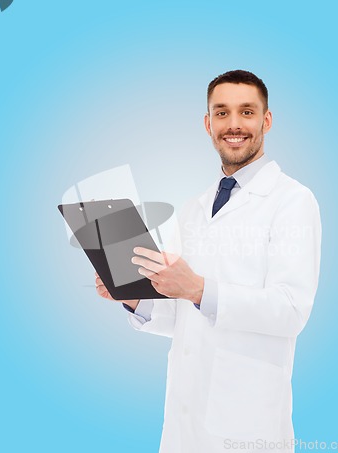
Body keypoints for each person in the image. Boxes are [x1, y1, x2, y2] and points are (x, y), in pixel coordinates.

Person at [95, 70, 322, 453]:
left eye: (247, 112)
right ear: (208, 123)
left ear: (267, 120)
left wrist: (198, 288)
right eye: (221, 113)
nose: (234, 125)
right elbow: (190, 315)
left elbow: (291, 310)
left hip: (248, 427)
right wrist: (134, 298)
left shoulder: (292, 201)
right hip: (185, 425)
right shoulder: (194, 209)